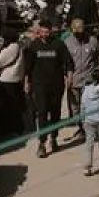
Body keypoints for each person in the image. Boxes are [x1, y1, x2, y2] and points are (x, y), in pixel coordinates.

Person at [23, 23, 72, 157]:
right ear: (39, 32)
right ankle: (42, 143)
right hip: (40, 86)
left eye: (47, 32)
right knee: (42, 112)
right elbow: (28, 67)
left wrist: (69, 78)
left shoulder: (59, 44)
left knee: (55, 113)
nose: (45, 34)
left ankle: (54, 137)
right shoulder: (34, 46)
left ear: (50, 31)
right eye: (43, 32)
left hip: (56, 85)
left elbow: (68, 62)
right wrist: (27, 83)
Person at [64, 18, 99, 135]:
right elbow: (63, 62)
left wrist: (98, 71)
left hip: (88, 80)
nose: (79, 35)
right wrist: (66, 77)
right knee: (75, 108)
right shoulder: (67, 43)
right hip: (74, 80)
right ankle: (81, 127)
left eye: (80, 32)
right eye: (76, 32)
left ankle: (89, 128)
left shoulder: (92, 41)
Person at [0, 31, 27, 143]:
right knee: (14, 106)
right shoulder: (18, 45)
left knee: (9, 107)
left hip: (8, 80)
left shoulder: (12, 48)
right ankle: (15, 129)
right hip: (14, 80)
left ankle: (11, 132)